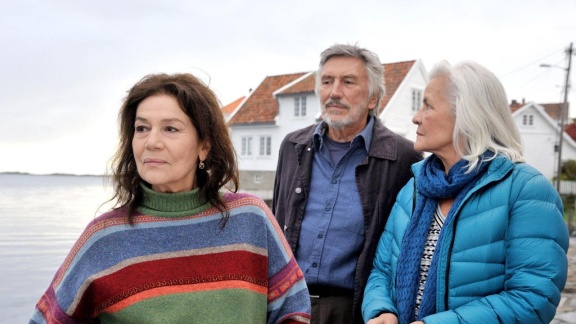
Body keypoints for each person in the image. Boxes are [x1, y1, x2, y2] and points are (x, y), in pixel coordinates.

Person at [30, 73, 311, 324]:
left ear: (204, 146)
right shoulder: (104, 238)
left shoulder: (250, 219)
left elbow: (293, 309)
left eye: (170, 129)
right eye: (142, 128)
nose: (151, 141)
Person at [362, 60, 570, 324]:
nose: (416, 116)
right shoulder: (414, 188)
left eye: (428, 105)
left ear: (466, 114)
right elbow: (382, 270)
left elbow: (532, 298)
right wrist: (381, 310)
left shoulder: (526, 189)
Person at [272, 43, 423, 324]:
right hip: (287, 305)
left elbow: (407, 246)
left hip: (354, 309)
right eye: (327, 81)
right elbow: (277, 222)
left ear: (373, 97)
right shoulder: (292, 146)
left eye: (348, 82)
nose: (334, 92)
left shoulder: (403, 157)